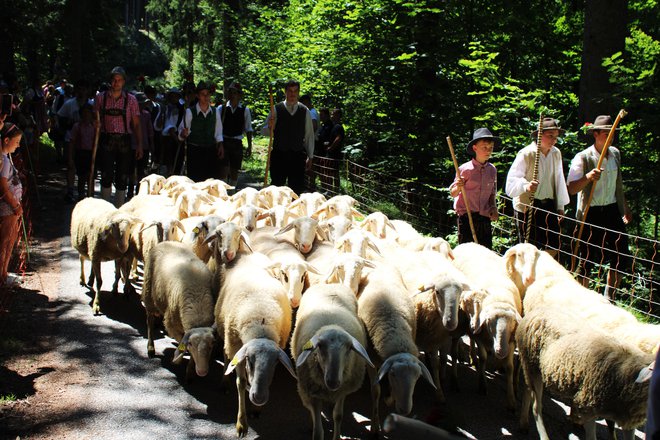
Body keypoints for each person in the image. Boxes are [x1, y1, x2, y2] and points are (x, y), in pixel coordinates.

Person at [567, 115, 632, 300]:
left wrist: (624, 207)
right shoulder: (583, 157)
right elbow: (571, 188)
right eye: (606, 134)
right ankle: (582, 300)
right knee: (586, 258)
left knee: (621, 256)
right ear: (595, 134)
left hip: (611, 210)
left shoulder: (615, 154)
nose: (610, 138)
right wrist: (588, 177)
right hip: (591, 212)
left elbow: (617, 184)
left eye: (612, 134)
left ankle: (609, 299)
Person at [505, 118, 570, 257]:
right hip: (528, 206)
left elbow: (559, 179)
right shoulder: (527, 154)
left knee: (553, 247)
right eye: (550, 136)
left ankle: (543, 276)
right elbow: (512, 181)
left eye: (556, 137)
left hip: (549, 205)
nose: (554, 141)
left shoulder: (555, 153)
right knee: (529, 251)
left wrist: (560, 206)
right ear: (539, 135)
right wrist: (526, 186)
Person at [93, 66, 143, 206]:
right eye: (114, 79)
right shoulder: (100, 99)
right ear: (110, 81)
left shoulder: (131, 100)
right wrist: (95, 123)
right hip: (106, 139)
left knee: (122, 176)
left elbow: (137, 124)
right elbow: (94, 119)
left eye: (119, 80)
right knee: (106, 175)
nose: (116, 82)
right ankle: (105, 209)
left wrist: (139, 145)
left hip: (124, 141)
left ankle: (119, 209)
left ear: (124, 82)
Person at [448, 128, 499, 249]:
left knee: (486, 251)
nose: (488, 151)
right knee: (467, 251)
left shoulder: (492, 170)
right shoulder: (465, 169)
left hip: (484, 218)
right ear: (475, 148)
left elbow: (492, 193)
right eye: (484, 147)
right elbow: (453, 193)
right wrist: (459, 187)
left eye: (490, 148)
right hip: (467, 217)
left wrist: (494, 207)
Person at [261, 80, 315, 195]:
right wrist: (270, 126)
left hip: (297, 156)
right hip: (279, 155)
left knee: (296, 190)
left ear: (298, 93)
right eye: (290, 91)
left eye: (295, 91)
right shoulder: (276, 109)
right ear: (285, 92)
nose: (292, 94)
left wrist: (310, 156)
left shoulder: (304, 111)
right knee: (276, 189)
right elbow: (264, 132)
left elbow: (309, 135)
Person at [178, 81, 224, 182]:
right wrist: (183, 133)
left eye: (208, 94)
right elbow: (181, 132)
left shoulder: (215, 112)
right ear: (198, 95)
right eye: (203, 94)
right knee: (196, 180)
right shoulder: (190, 112)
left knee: (210, 181)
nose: (206, 96)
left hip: (211, 151)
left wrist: (220, 145)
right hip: (195, 152)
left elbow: (218, 132)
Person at [58, 79, 91, 202]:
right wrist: (66, 125)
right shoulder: (69, 104)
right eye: (80, 89)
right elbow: (60, 117)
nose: (82, 91)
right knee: (71, 165)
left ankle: (84, 192)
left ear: (88, 91)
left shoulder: (91, 105)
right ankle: (70, 190)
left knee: (85, 169)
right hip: (70, 138)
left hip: (86, 142)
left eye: (84, 89)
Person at [0, 122, 24, 287]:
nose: (18, 145)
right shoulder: (3, 160)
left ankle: (4, 272)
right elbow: (2, 186)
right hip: (8, 208)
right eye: (16, 142)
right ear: (6, 140)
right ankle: (2, 275)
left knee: (10, 240)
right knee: (5, 241)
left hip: (12, 208)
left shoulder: (7, 157)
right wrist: (15, 205)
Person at [218, 82, 253, 186]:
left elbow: (248, 129)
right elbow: (217, 128)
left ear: (239, 95)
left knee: (234, 170)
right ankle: (223, 192)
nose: (233, 95)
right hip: (224, 141)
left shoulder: (244, 110)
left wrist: (250, 146)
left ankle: (232, 192)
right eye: (231, 92)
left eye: (235, 93)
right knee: (223, 170)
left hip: (237, 142)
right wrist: (218, 143)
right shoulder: (222, 109)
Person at [69, 104, 95, 200]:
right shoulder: (77, 126)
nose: (86, 116)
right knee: (82, 175)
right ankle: (81, 194)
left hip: (91, 153)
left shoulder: (94, 126)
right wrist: (71, 157)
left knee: (91, 175)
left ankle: (91, 194)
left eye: (88, 113)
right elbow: (72, 142)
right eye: (84, 113)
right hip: (81, 153)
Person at [156, 87, 184, 175]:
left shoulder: (180, 109)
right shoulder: (164, 108)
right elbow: (159, 125)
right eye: (172, 96)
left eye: (176, 96)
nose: (174, 98)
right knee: (167, 162)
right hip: (167, 139)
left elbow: (174, 126)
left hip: (176, 138)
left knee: (175, 163)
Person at [322, 108, 344, 194]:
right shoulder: (334, 126)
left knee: (332, 172)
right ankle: (332, 190)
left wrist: (331, 147)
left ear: (338, 115)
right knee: (332, 172)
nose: (331, 116)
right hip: (333, 153)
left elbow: (338, 138)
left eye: (333, 114)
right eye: (331, 114)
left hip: (334, 154)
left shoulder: (338, 126)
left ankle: (332, 191)